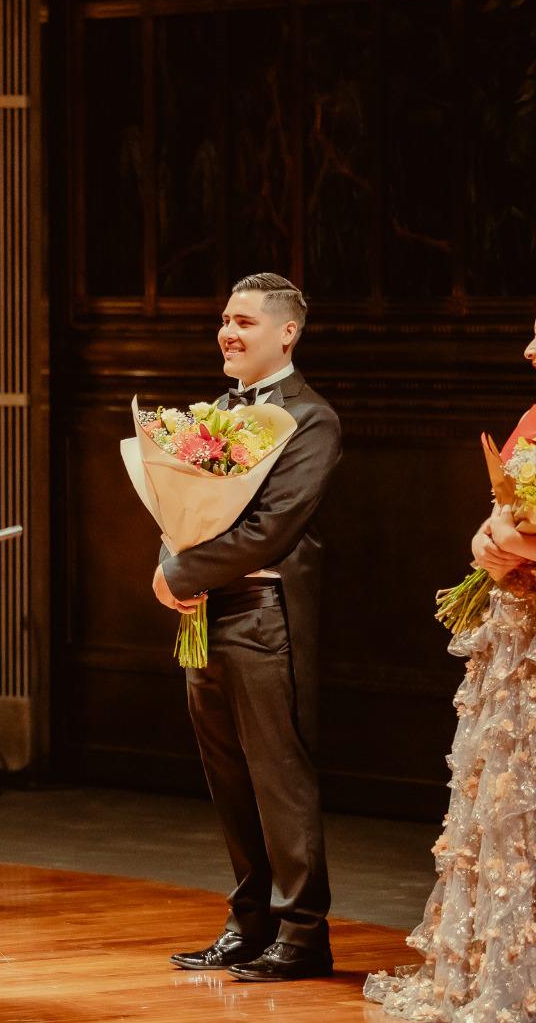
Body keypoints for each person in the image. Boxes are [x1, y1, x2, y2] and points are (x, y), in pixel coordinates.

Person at [152, 273, 341, 981]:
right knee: (227, 776)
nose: (228, 332)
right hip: (205, 613)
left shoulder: (311, 418)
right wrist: (171, 561)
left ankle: (303, 933)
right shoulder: (219, 411)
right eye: (224, 319)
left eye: (245, 322)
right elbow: (178, 505)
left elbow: (271, 528)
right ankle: (248, 922)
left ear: (286, 332)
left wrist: (182, 572)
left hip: (264, 615)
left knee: (278, 778)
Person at [364, 323, 536, 1020]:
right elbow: (508, 508)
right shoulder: (533, 419)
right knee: (509, 803)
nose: (531, 348)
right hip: (519, 638)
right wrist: (490, 541)